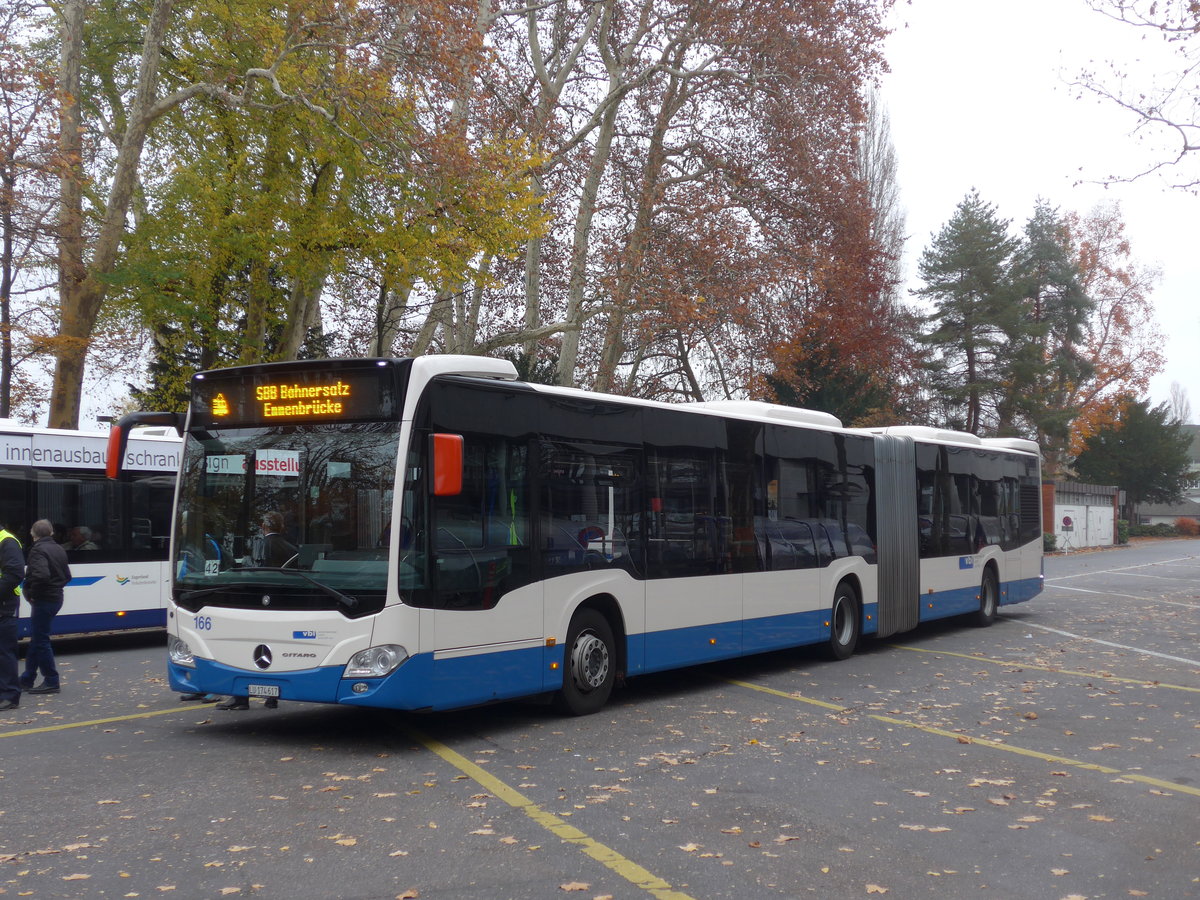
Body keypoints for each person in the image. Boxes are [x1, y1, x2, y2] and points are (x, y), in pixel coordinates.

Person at [20, 520, 71, 695]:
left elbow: (41, 576)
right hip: (56, 598)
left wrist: (32, 593)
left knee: (41, 640)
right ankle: (27, 678)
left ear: (33, 534)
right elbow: (67, 576)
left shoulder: (37, 550)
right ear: (51, 533)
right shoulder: (58, 548)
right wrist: (55, 587)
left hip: (44, 599)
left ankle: (51, 680)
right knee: (37, 638)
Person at [0, 523, 26, 711]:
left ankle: (10, 695)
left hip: (4, 606)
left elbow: (15, 574)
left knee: (4, 652)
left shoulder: (7, 541)